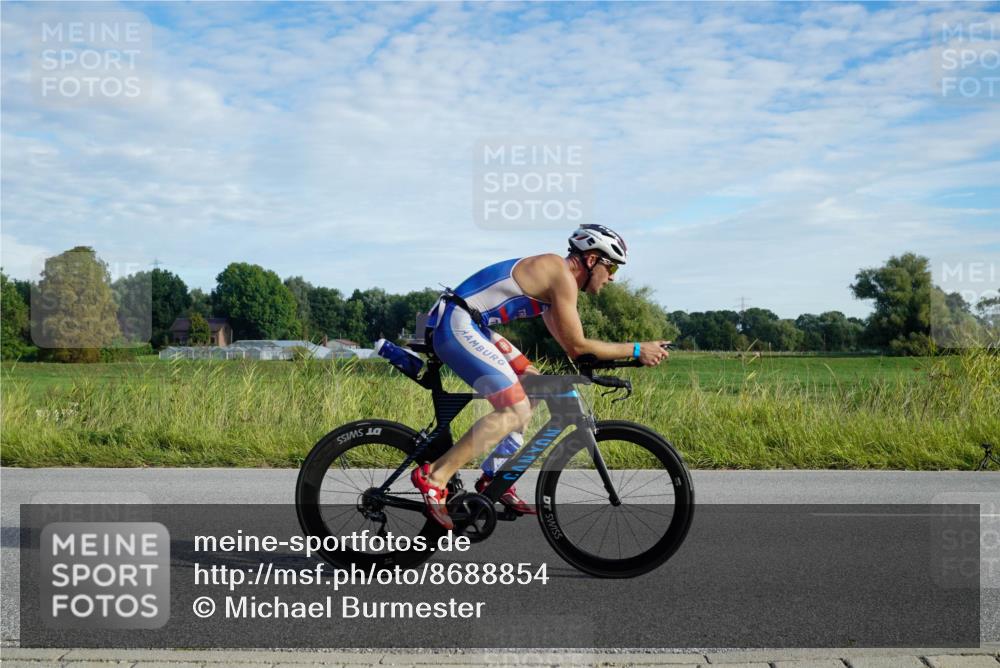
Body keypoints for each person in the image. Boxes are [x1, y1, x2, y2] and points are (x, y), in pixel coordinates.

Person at [412, 225, 671, 529]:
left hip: (467, 322)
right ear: (591, 260)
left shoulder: (553, 286)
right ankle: (435, 477)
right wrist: (637, 349)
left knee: (533, 384)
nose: (612, 277)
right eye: (611, 267)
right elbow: (579, 345)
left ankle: (495, 476)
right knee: (514, 409)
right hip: (457, 323)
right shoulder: (560, 275)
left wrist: (621, 359)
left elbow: (574, 351)